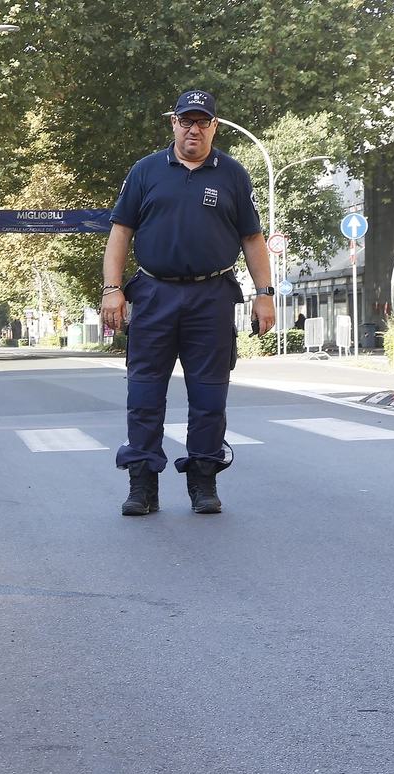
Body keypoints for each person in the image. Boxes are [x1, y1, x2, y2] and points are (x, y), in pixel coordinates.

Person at [101, 90, 275, 515]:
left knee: (209, 399)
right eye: (185, 120)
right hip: (154, 293)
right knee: (144, 395)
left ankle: (203, 481)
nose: (193, 129)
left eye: (202, 121)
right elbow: (120, 233)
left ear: (215, 126)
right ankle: (142, 485)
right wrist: (112, 289)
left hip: (212, 296)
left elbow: (253, 240)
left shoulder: (233, 175)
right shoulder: (145, 172)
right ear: (173, 123)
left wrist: (265, 295)